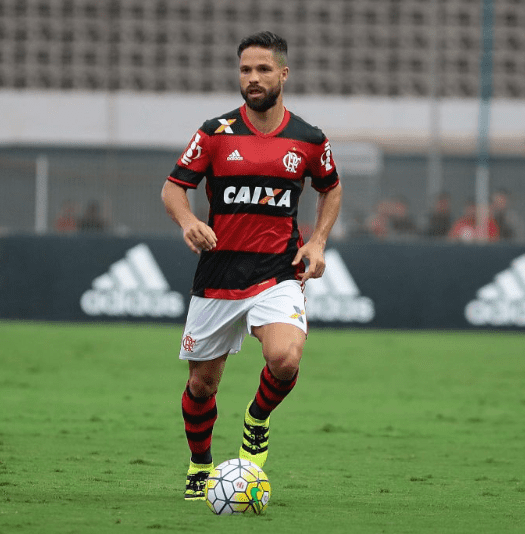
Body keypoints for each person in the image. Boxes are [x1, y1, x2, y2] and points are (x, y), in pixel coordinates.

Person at [160, 31, 342, 501]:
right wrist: (188, 221)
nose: (253, 78)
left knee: (285, 359)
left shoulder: (308, 139)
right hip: (219, 274)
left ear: (283, 73)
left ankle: (256, 419)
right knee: (202, 384)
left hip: (278, 270)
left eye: (263, 69)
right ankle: (201, 465)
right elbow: (173, 187)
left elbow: (331, 187)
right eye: (245, 70)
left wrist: (318, 241)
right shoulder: (215, 133)